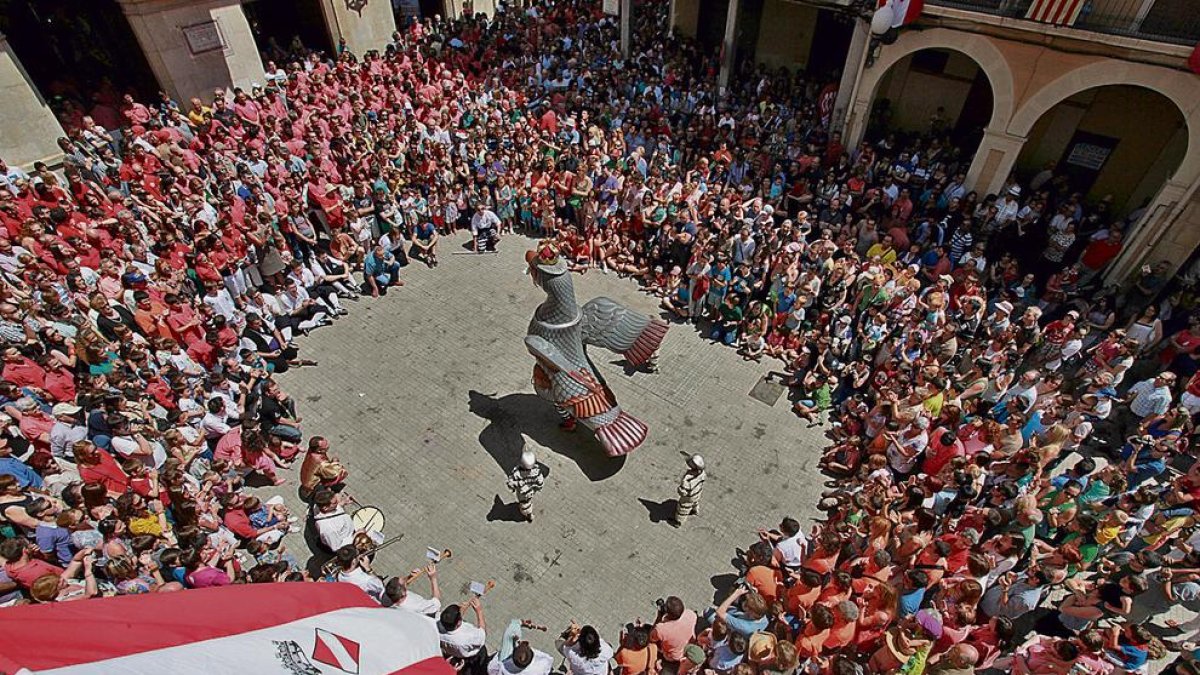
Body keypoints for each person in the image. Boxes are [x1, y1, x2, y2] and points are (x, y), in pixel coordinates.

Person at [506, 446, 545, 522]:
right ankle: (528, 513)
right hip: (531, 492)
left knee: (524, 504)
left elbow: (510, 484)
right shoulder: (537, 472)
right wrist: (535, 488)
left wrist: (517, 484)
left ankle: (528, 514)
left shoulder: (517, 473)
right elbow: (540, 483)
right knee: (527, 501)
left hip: (521, 494)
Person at [671, 454, 706, 527]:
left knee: (682, 509)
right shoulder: (702, 473)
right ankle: (695, 511)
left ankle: (678, 522)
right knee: (695, 502)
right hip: (697, 493)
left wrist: (679, 489)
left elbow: (683, 492)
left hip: (688, 497)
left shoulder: (687, 480)